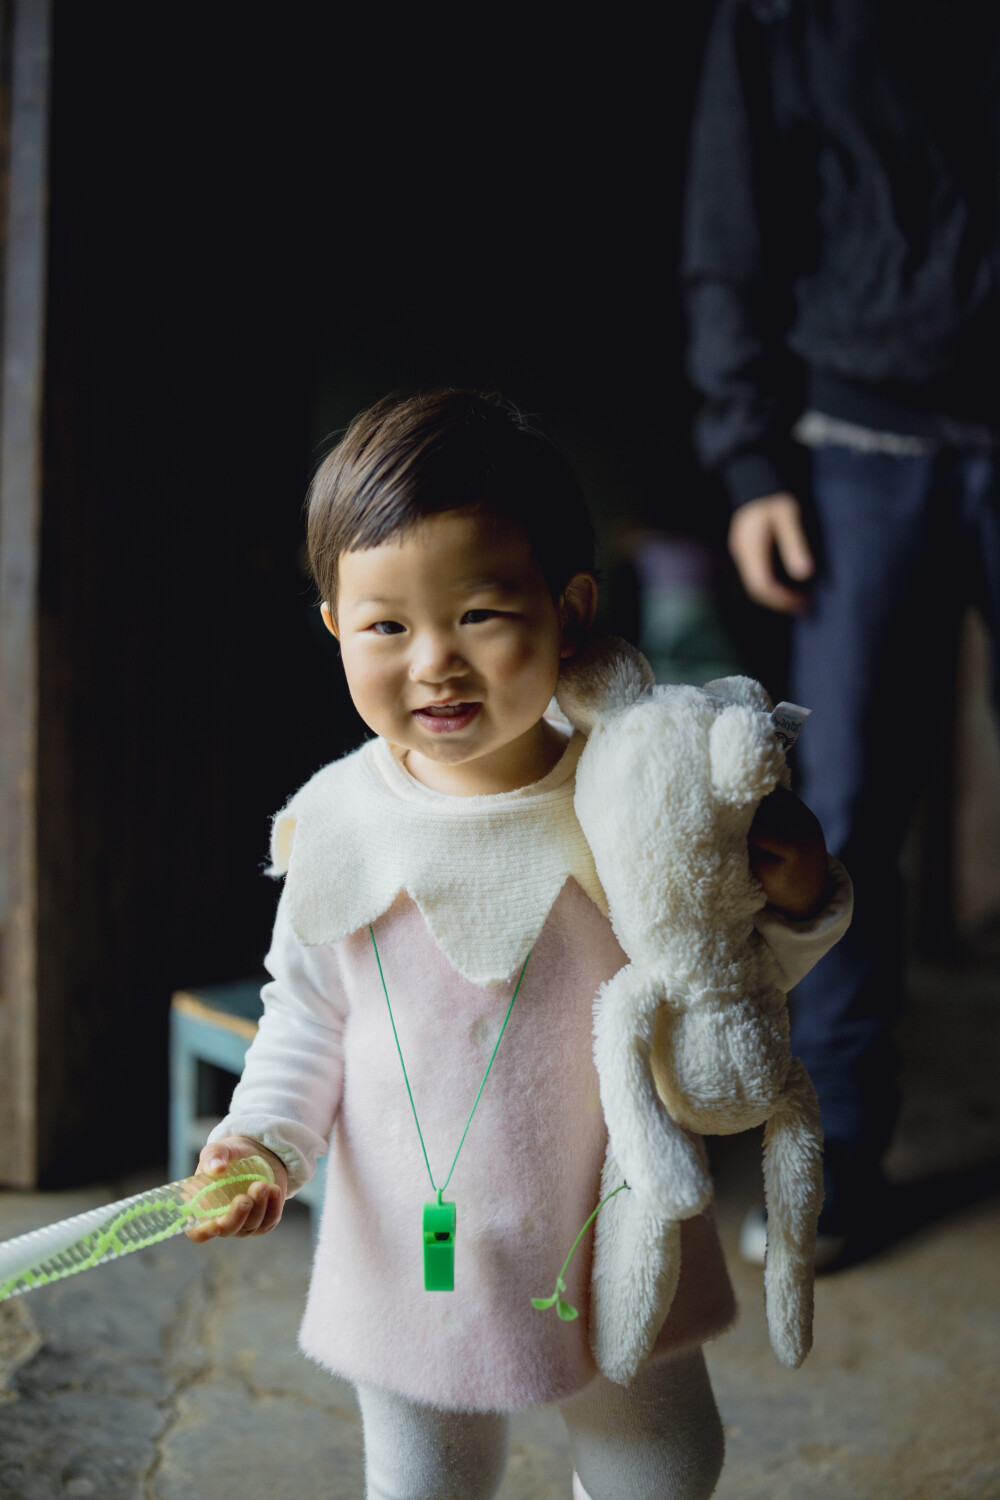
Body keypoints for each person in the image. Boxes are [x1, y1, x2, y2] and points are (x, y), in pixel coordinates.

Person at [186, 390, 850, 1500]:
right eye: (386, 625)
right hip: (412, 1239)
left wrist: (795, 898)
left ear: (569, 609)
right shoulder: (336, 822)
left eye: (481, 614)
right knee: (424, 1478)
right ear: (335, 628)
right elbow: (306, 1016)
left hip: (605, 1226)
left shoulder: (630, 801)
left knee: (662, 1460)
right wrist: (263, 1138)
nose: (434, 662)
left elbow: (722, 984)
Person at [682, 0, 1000, 1264]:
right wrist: (749, 460)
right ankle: (843, 1166)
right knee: (846, 817)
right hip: (855, 448)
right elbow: (727, 228)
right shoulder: (774, 14)